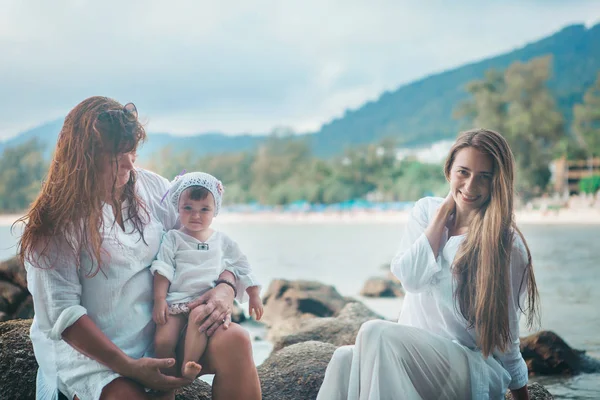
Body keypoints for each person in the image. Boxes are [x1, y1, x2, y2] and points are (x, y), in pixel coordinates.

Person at [17, 96, 261, 400]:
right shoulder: (53, 223)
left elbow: (202, 241)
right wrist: (129, 366)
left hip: (162, 334)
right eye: (115, 155)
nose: (130, 164)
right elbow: (63, 314)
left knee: (236, 341)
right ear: (84, 156)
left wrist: (225, 286)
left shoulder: (153, 188)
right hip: (96, 355)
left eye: (132, 150)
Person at [317, 129, 540, 400]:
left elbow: (507, 337)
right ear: (449, 171)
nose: (470, 186)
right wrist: (442, 215)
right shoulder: (426, 211)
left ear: (499, 182)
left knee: (376, 332)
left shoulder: (506, 244)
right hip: (410, 360)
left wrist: (521, 394)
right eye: (463, 172)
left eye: (485, 177)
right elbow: (411, 279)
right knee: (343, 358)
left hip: (467, 369)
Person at [151, 171, 263, 380]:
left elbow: (242, 265)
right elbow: (162, 269)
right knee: (163, 341)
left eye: (204, 209)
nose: (196, 215)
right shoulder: (173, 238)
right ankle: (166, 383)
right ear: (178, 207)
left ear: (215, 211)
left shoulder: (222, 240)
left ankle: (188, 365)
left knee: (199, 322)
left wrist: (254, 293)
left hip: (205, 301)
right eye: (188, 208)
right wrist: (159, 300)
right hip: (175, 303)